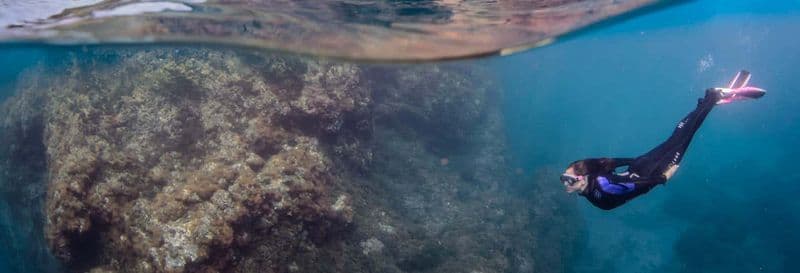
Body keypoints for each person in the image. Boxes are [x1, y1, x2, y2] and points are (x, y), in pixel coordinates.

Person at [560, 70, 766, 210]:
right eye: (564, 179)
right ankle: (709, 101)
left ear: (583, 178)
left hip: (651, 171)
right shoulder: (591, 186)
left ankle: (712, 96)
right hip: (642, 165)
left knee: (683, 137)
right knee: (680, 136)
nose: (565, 184)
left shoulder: (602, 186)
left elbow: (635, 185)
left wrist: (663, 178)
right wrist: (633, 161)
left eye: (567, 179)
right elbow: (611, 162)